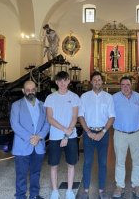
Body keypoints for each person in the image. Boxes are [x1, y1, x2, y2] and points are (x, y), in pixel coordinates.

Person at [78, 71, 115, 199]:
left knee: (103, 163)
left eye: (99, 80)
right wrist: (88, 131)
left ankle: (101, 190)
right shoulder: (84, 97)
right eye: (95, 80)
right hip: (88, 133)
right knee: (87, 162)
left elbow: (111, 117)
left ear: (102, 81)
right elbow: (80, 115)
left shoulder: (108, 97)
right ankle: (86, 190)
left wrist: (103, 132)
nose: (97, 82)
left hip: (103, 133)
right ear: (91, 82)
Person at [10, 80, 50, 199]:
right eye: (28, 90)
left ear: (36, 90)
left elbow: (47, 124)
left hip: (38, 145)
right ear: (23, 91)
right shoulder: (16, 105)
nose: (30, 92)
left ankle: (34, 195)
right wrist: (30, 137)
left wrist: (39, 137)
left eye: (33, 89)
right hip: (22, 146)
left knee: (36, 173)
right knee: (21, 174)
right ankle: (21, 196)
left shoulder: (43, 105)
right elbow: (15, 124)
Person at [45, 71, 80, 199]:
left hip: (70, 136)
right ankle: (55, 191)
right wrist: (64, 131)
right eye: (60, 81)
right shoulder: (50, 98)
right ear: (56, 82)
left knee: (71, 164)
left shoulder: (74, 97)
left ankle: (69, 190)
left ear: (69, 81)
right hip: (55, 136)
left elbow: (74, 117)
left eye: (65, 80)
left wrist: (66, 135)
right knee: (54, 165)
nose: (62, 83)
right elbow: (49, 118)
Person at [112, 76, 139, 198]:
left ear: (132, 85)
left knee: (137, 160)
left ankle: (136, 185)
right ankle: (119, 186)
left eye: (128, 85)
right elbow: (110, 114)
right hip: (120, 134)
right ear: (120, 86)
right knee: (120, 161)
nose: (126, 87)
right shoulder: (114, 98)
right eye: (123, 85)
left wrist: (138, 126)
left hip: (136, 133)